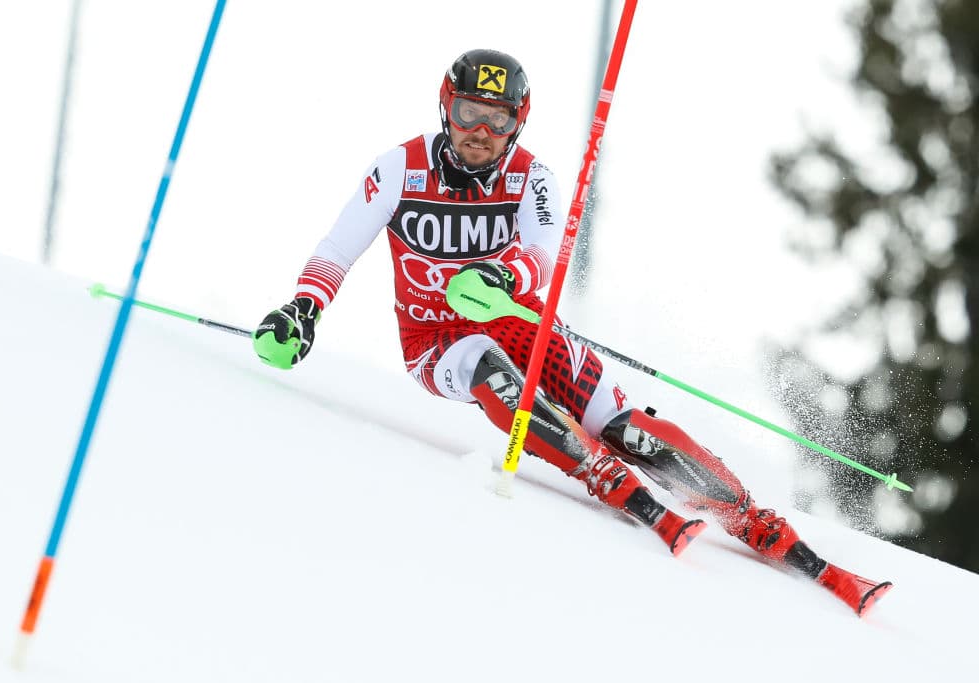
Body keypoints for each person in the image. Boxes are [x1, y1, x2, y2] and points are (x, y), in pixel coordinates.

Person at [253, 49, 892, 616]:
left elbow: (545, 256)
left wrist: (503, 274)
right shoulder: (399, 169)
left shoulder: (532, 177)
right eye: (471, 113)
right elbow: (338, 249)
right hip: (437, 342)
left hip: (526, 324)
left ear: (517, 124)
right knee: (486, 366)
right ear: (446, 107)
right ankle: (599, 473)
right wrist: (305, 307)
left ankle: (752, 517)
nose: (481, 133)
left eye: (499, 121)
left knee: (628, 428)